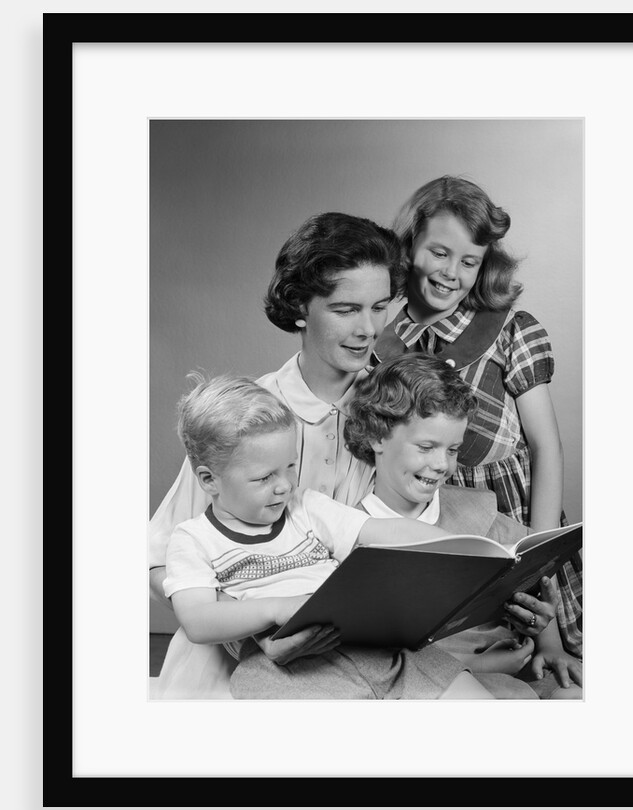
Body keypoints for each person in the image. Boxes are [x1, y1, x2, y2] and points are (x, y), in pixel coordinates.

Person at [149, 211, 406, 696]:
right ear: (300, 307)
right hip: (228, 671)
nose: (369, 328)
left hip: (358, 659)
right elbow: (159, 562)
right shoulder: (248, 417)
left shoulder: (397, 411)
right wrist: (258, 631)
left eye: (380, 307)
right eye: (346, 309)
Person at [165, 373, 498, 699]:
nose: (284, 485)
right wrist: (278, 609)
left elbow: (382, 531)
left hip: (371, 645)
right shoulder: (192, 540)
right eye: (264, 478)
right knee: (257, 686)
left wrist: (467, 549)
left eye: (290, 467)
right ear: (209, 480)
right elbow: (198, 620)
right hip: (287, 668)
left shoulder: (305, 506)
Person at [372, 176, 582, 658]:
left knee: (554, 657)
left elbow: (545, 447)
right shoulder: (381, 341)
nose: (452, 272)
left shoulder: (508, 331)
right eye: (439, 253)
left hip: (515, 516)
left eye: (469, 261)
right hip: (435, 524)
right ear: (409, 247)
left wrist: (536, 552)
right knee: (458, 657)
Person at [344, 352, 582, 698]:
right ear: (377, 437)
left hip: (521, 676)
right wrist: (479, 666)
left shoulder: (482, 511)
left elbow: (533, 592)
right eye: (426, 447)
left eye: (453, 450)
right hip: (434, 693)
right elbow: (366, 661)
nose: (442, 464)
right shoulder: (349, 534)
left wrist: (541, 630)